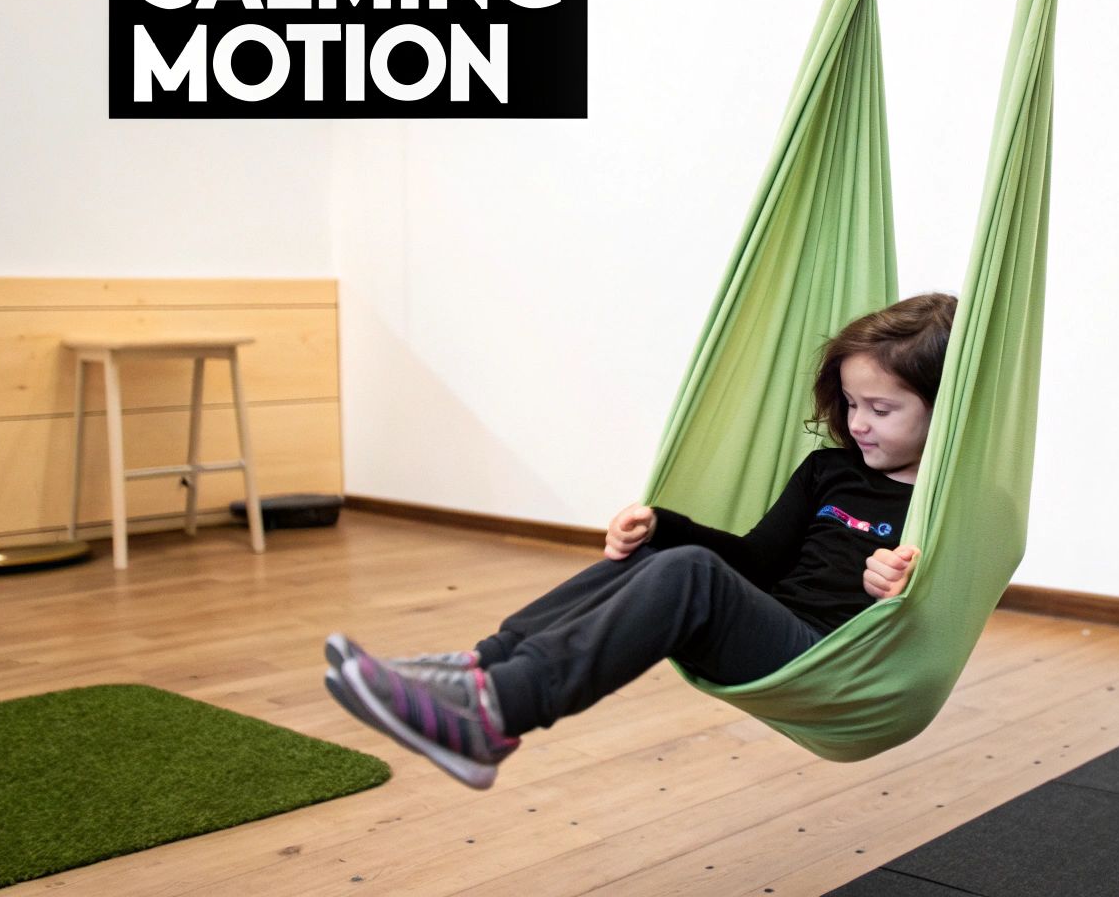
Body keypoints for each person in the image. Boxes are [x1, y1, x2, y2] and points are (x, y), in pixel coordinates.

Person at [324, 292, 957, 788]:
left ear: (945, 407)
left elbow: (938, 616)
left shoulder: (949, 502)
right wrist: (663, 523)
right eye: (849, 404)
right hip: (770, 628)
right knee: (668, 557)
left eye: (881, 410)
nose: (857, 424)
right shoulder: (828, 470)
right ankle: (482, 669)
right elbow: (759, 562)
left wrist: (893, 593)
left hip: (836, 663)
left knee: (690, 575)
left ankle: (497, 713)